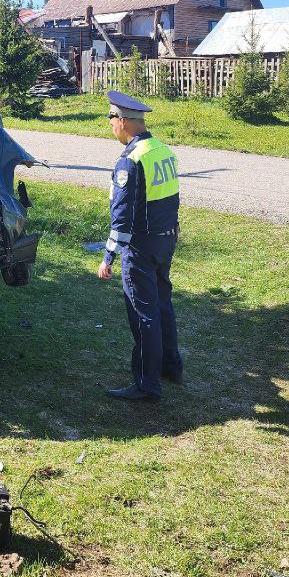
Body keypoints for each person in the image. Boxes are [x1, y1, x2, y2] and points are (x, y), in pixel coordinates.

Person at [96, 89, 182, 401]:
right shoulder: (164, 151)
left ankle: (147, 384)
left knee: (142, 314)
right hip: (166, 239)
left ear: (123, 121)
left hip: (141, 247)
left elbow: (121, 217)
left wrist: (108, 255)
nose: (109, 124)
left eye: (110, 118)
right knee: (162, 304)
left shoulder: (129, 161)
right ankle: (171, 366)